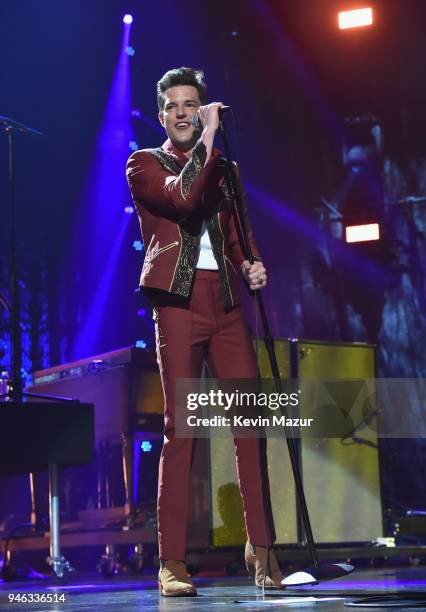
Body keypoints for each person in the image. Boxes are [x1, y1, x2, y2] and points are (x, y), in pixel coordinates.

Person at [126, 67, 283, 597]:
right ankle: (172, 561)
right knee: (182, 430)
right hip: (177, 305)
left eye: (191, 104)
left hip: (227, 306)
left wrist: (251, 264)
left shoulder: (225, 169)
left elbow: (238, 231)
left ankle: (262, 549)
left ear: (203, 107)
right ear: (161, 114)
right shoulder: (144, 163)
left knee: (250, 426)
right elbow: (182, 199)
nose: (182, 113)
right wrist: (211, 142)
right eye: (172, 105)